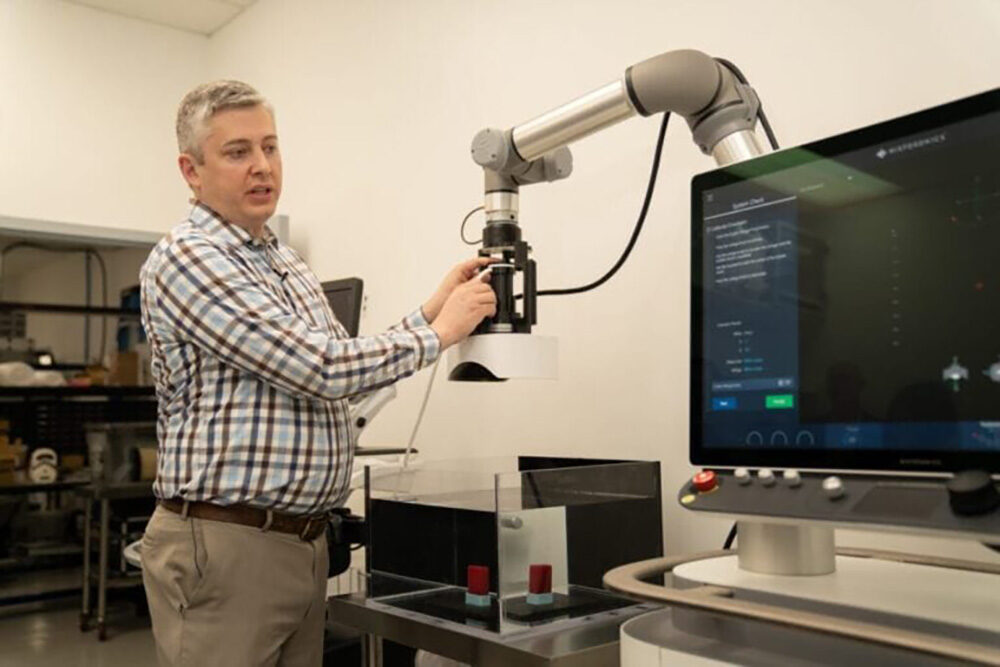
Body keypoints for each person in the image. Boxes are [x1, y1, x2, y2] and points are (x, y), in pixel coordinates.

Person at [138, 80, 496, 667]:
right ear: (191, 170)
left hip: (297, 543)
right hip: (228, 547)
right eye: (237, 152)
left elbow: (342, 368)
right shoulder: (189, 256)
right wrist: (439, 334)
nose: (262, 167)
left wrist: (431, 309)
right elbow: (317, 368)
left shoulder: (282, 261)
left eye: (271, 147)